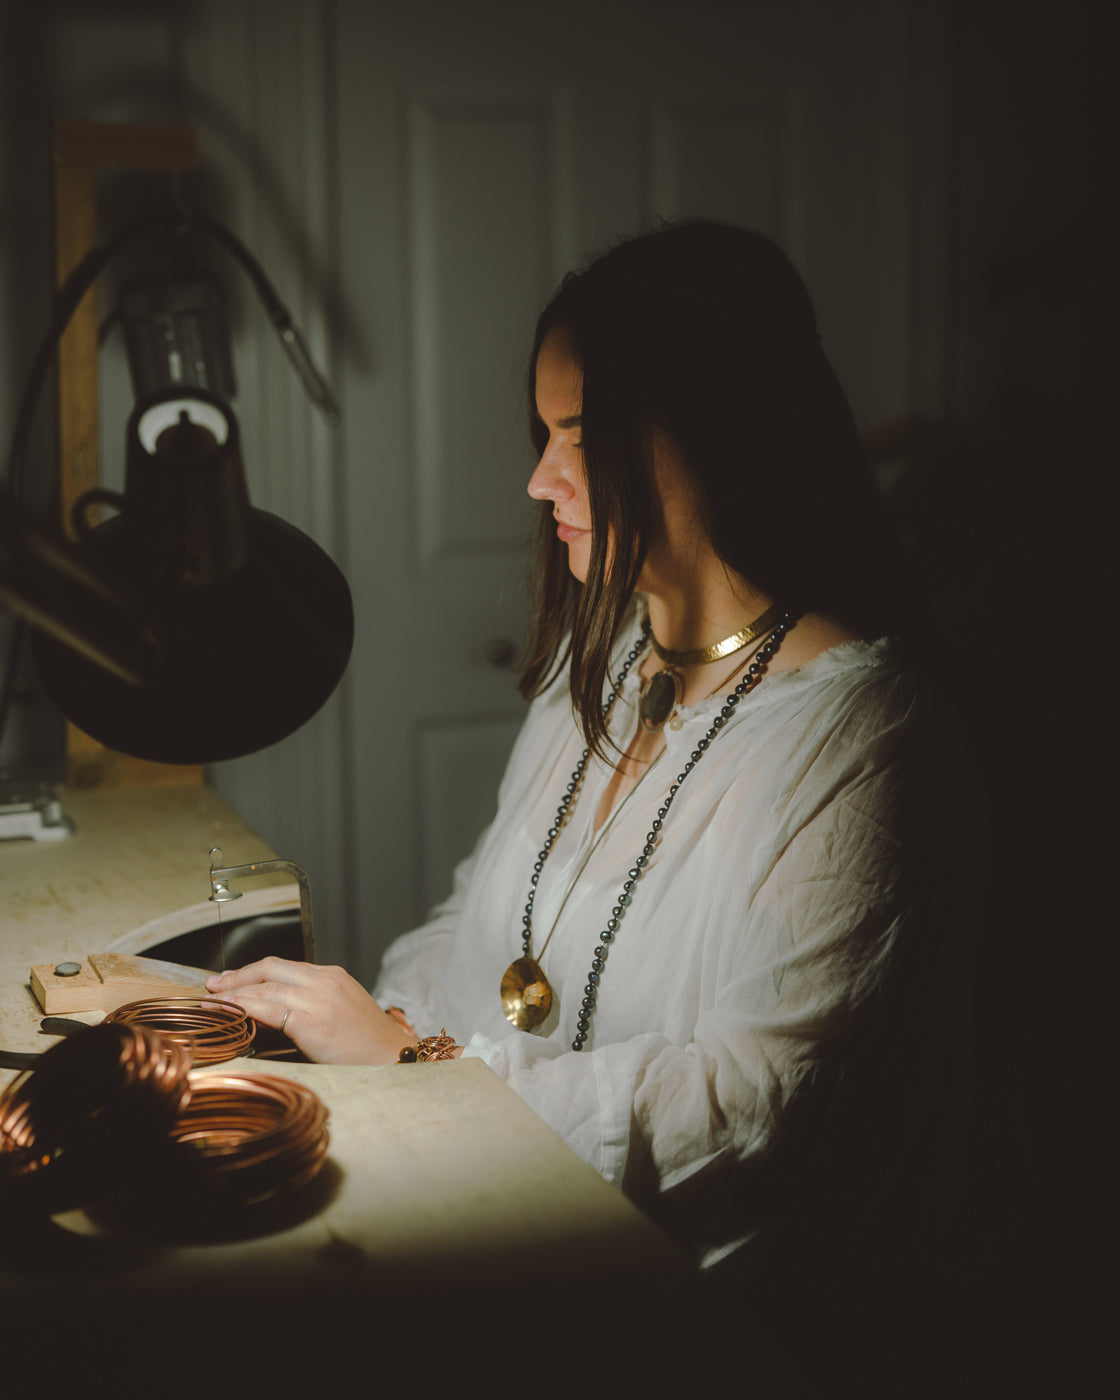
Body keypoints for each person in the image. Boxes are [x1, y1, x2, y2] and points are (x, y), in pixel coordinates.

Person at [206, 220, 917, 1278]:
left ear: (711, 431)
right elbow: (470, 919)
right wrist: (360, 1040)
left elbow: (747, 1104)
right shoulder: (609, 652)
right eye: (541, 434)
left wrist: (414, 1063)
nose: (542, 480)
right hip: (454, 1196)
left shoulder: (858, 735)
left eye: (578, 434)